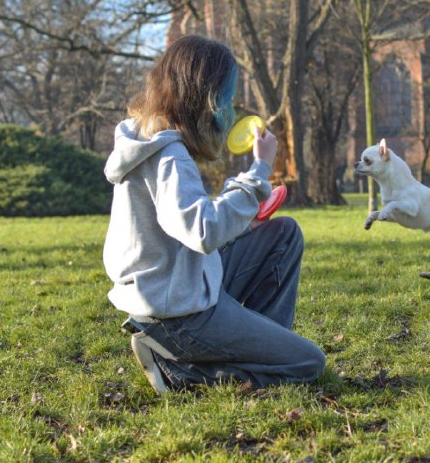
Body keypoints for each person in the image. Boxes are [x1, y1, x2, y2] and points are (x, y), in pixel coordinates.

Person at [102, 35, 326, 393]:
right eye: (224, 99)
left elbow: (183, 225)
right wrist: (258, 172)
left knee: (282, 236)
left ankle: (258, 349)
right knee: (308, 363)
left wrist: (244, 217)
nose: (229, 110)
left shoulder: (151, 141)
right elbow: (201, 230)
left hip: (178, 291)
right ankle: (181, 372)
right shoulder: (168, 155)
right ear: (201, 98)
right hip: (178, 316)